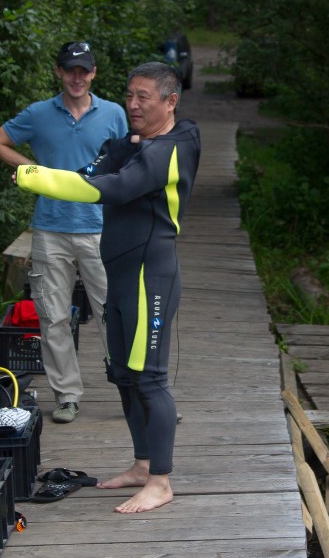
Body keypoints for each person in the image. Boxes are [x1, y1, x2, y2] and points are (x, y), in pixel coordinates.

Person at [13, 61, 200, 513]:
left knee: (150, 378)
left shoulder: (173, 147)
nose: (132, 105)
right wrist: (120, 150)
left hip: (149, 276)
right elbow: (100, 162)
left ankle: (160, 481)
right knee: (123, 373)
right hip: (117, 272)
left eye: (144, 98)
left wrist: (31, 175)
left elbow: (112, 186)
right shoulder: (136, 141)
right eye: (130, 95)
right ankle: (141, 465)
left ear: (170, 101)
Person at [0, 41, 128, 424]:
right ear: (59, 72)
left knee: (113, 312)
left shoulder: (114, 113)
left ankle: (136, 393)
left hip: (101, 228)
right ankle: (67, 395)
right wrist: (32, 171)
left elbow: (134, 157)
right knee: (53, 316)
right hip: (50, 229)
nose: (77, 77)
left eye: (84, 70)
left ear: (94, 73)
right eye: (70, 70)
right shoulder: (39, 113)